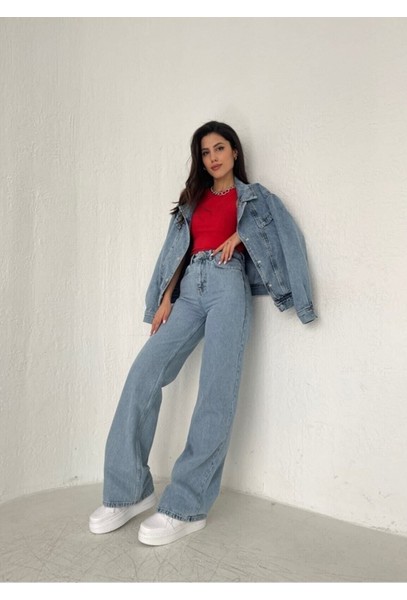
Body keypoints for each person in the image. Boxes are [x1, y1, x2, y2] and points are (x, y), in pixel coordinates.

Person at [89, 121, 317, 546]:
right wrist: (164, 298)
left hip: (228, 286)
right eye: (205, 152)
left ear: (234, 152)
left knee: (215, 391)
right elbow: (175, 252)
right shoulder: (191, 200)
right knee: (142, 376)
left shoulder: (255, 197)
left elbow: (285, 236)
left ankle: (186, 506)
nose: (212, 157)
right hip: (189, 290)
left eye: (219, 148)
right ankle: (128, 491)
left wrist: (242, 235)